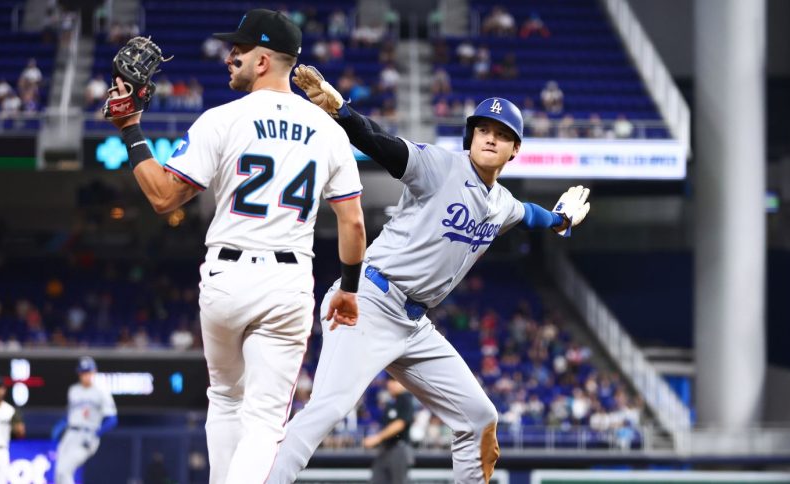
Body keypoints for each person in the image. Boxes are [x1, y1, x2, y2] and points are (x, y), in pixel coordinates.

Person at [269, 67, 590, 483]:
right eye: (483, 129)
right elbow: (382, 145)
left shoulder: (503, 203)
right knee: (328, 407)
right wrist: (340, 110)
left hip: (413, 323)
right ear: (469, 137)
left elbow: (531, 214)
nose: (490, 137)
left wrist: (561, 220)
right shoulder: (441, 166)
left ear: (514, 151)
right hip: (370, 299)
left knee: (479, 418)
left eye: (502, 133)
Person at [104, 9, 366, 484]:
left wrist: (131, 130)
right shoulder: (329, 130)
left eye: (239, 51)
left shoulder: (222, 119)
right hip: (287, 282)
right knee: (265, 420)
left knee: (225, 398)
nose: (229, 57)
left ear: (264, 60)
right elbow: (352, 222)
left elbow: (164, 197)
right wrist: (348, 288)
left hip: (225, 276)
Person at [52, 357, 117, 484]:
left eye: (88, 372)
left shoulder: (101, 392)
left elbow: (112, 419)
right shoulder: (73, 390)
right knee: (58, 474)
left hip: (87, 434)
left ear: (94, 372)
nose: (85, 375)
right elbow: (70, 415)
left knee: (64, 471)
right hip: (70, 434)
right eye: (83, 372)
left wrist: (96, 434)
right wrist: (61, 425)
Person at [363, 377, 415, 484]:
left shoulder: (405, 399)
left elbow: (400, 424)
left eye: (395, 381)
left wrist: (377, 438)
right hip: (385, 448)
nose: (391, 384)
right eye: (390, 381)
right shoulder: (390, 402)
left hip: (399, 448)